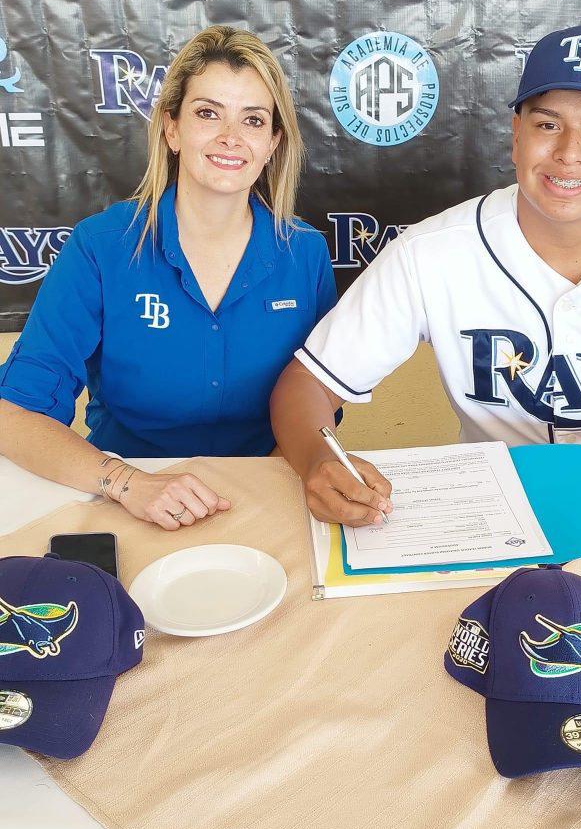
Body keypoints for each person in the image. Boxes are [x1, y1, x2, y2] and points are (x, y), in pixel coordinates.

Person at [270, 24, 581, 527]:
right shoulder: (431, 253)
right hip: (504, 513)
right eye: (548, 125)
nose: (569, 152)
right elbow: (308, 383)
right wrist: (318, 459)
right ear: (517, 135)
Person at [0, 26, 337, 530]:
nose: (230, 137)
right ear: (172, 129)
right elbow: (13, 416)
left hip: (266, 494)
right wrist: (127, 483)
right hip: (128, 499)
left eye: (252, 120)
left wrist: (267, 486)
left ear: (273, 143)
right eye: (208, 113)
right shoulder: (101, 247)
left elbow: (321, 401)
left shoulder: (305, 253)